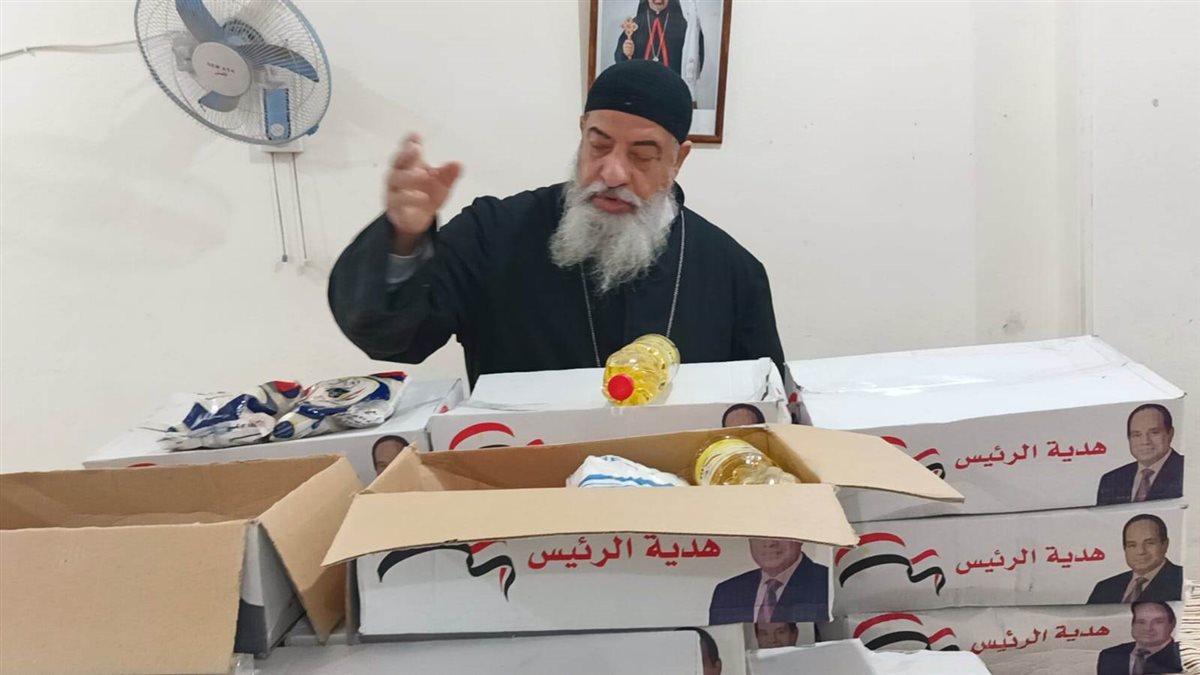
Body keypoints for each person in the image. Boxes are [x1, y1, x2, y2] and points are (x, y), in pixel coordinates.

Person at [328, 60, 785, 389]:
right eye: (599, 145)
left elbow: (763, 405)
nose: (613, 173)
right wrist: (404, 239)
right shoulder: (493, 234)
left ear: (678, 159)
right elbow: (393, 339)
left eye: (642, 156)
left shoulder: (732, 272)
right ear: (582, 131)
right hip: (524, 483)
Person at [708, 538, 829, 625]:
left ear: (800, 537)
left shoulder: (826, 583)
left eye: (779, 534)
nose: (769, 543)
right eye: (759, 535)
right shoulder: (727, 592)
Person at [1097, 404, 1184, 505]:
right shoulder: (1111, 480)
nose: (1145, 441)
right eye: (1137, 435)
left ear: (1170, 433)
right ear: (1129, 438)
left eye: (1154, 432)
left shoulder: (1187, 471)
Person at [1087, 515, 1182, 604]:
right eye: (1132, 545)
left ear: (1165, 545)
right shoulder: (1104, 588)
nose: (1140, 551)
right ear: (1124, 548)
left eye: (1150, 543)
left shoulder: (1182, 579)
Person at [613, 0, 703, 83]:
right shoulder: (634, 25)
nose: (659, 0)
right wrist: (625, 53)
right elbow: (621, 60)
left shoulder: (682, 25)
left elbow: (694, 54)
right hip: (641, 87)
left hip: (672, 87)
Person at [1096, 602, 1182, 675]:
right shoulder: (1110, 655)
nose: (1148, 628)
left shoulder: (1183, 655)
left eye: (1158, 622)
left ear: (1172, 624)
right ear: (1132, 625)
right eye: (1141, 622)